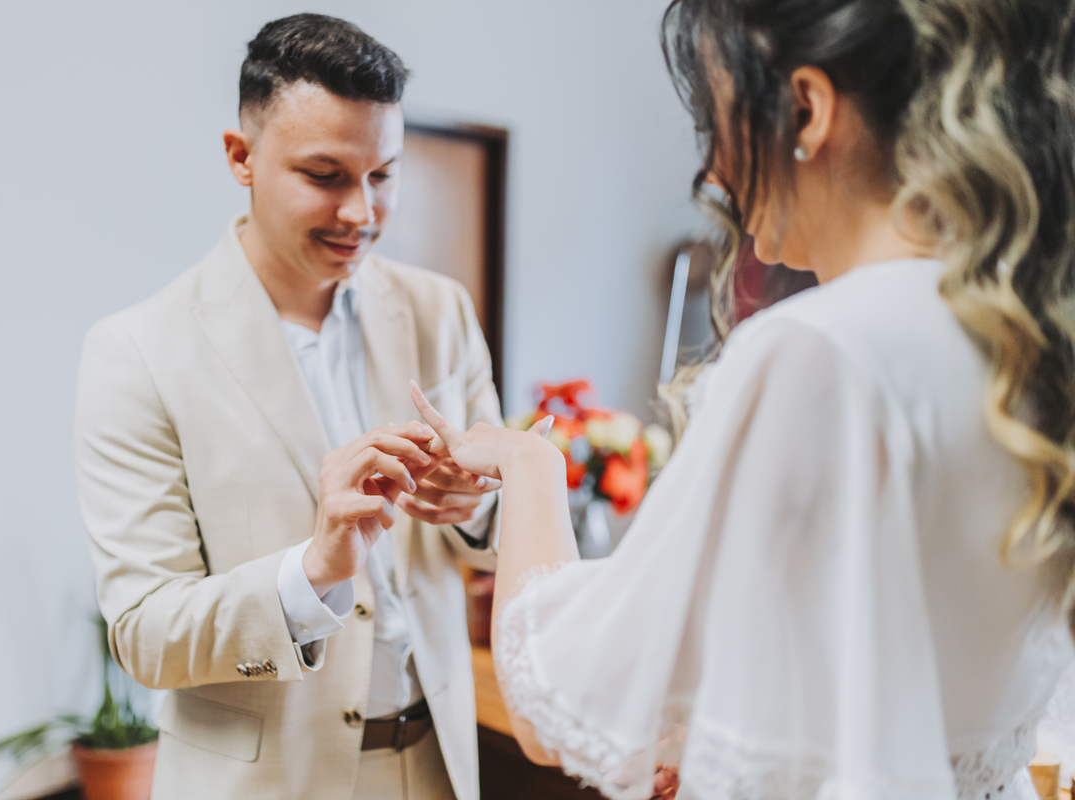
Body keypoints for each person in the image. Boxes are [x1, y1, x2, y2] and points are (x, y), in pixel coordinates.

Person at [409, 0, 1075, 798]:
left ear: (806, 109)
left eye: (712, 120)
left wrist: (528, 461)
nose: (712, 173)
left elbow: (561, 695)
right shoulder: (1031, 347)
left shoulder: (821, 350)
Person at [74, 14, 503, 800]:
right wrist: (311, 572)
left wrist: (478, 505)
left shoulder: (441, 310)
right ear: (241, 157)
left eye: (383, 175)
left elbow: (495, 536)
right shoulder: (136, 351)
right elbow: (142, 631)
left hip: (438, 762)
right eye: (326, 175)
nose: (361, 214)